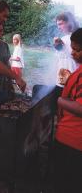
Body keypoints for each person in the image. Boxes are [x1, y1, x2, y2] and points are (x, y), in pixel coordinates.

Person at [54, 28, 82, 193]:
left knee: (66, 185)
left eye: (78, 50)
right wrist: (71, 79)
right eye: (72, 48)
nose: (73, 53)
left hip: (73, 141)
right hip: (71, 139)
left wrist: (58, 99)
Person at [53, 11, 79, 96]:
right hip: (61, 80)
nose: (59, 27)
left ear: (69, 22)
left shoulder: (77, 38)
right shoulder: (62, 39)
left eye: (61, 24)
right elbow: (58, 60)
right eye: (57, 25)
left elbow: (76, 58)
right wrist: (59, 47)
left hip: (73, 81)